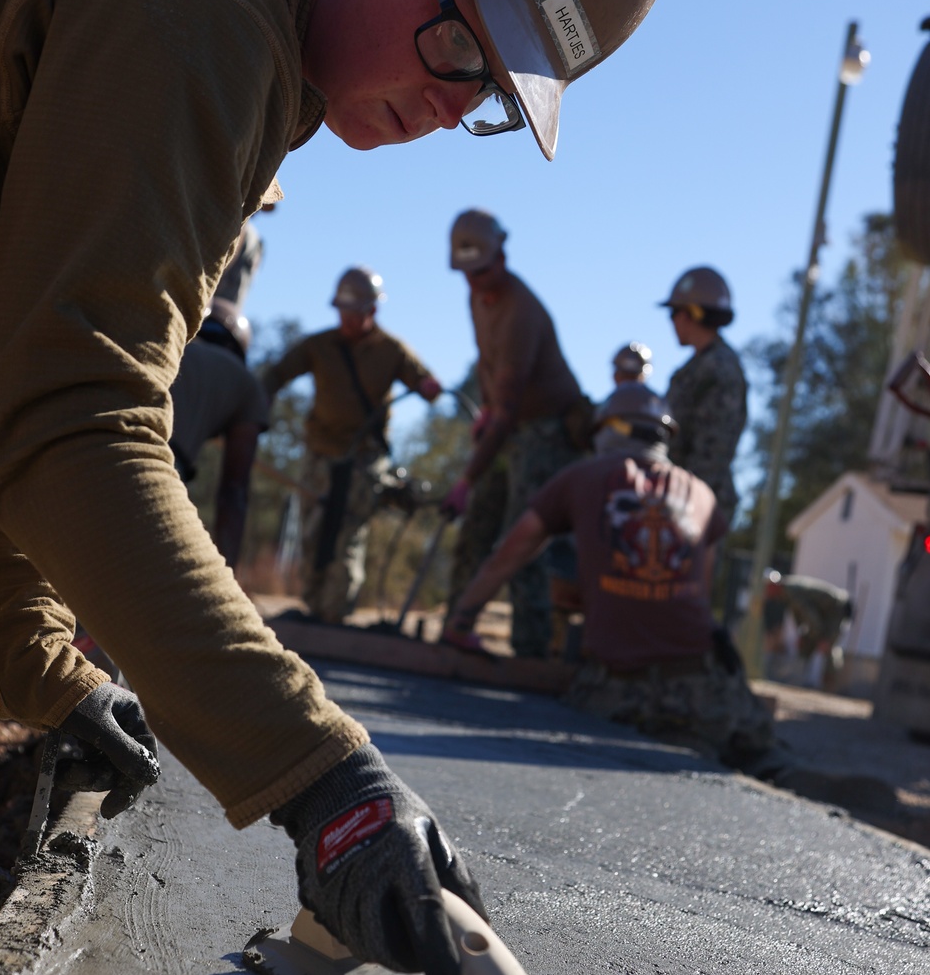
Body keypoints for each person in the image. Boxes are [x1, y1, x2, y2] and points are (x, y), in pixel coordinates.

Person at [0, 0, 684, 975]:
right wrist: (323, 778)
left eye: (487, 96)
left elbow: (1, 365)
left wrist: (39, 669)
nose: (450, 109)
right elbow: (74, 422)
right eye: (459, 43)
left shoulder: (229, 31)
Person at [445, 384, 790, 779]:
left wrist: (461, 624)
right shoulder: (703, 495)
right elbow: (697, 594)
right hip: (707, 688)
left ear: (606, 430)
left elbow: (508, 555)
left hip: (619, 690)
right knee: (762, 756)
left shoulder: (580, 477)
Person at [443, 209, 593, 657]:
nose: (475, 281)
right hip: (510, 426)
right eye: (466, 273)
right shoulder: (477, 298)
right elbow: (493, 381)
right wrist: (486, 410)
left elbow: (510, 410)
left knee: (525, 538)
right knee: (477, 526)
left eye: (483, 271)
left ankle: (532, 652)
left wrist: (466, 479)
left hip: (548, 434)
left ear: (502, 257)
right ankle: (455, 631)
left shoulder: (520, 312)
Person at [264, 267, 442, 622]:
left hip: (364, 459)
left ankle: (336, 613)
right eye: (341, 312)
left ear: (372, 312)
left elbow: (427, 385)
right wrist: (252, 405)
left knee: (348, 533)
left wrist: (429, 388)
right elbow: (275, 375)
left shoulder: (392, 350)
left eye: (354, 312)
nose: (346, 320)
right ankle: (313, 608)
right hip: (320, 455)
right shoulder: (318, 346)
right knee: (315, 533)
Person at [171, 298, 270, 569]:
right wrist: (226, 576)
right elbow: (233, 492)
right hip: (151, 459)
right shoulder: (245, 382)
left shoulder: (168, 346)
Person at [660, 268, 747, 524]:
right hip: (677, 500)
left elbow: (712, 454)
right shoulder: (696, 368)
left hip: (695, 511)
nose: (671, 321)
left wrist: (682, 506)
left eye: (673, 313)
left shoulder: (719, 370)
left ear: (691, 314)